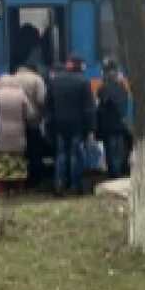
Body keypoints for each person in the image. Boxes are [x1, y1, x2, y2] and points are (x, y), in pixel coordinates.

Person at [45, 54, 96, 196]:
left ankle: (59, 183)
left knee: (61, 153)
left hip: (59, 124)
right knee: (75, 153)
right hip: (77, 125)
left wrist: (49, 124)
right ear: (78, 65)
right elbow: (89, 109)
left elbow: (48, 105)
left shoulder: (55, 81)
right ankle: (75, 185)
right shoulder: (83, 82)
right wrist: (91, 128)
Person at [0, 71, 37, 197]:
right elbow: (30, 113)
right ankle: (19, 188)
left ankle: (0, 190)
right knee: (18, 162)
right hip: (18, 132)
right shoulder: (20, 94)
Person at [96, 57, 133, 180]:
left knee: (112, 152)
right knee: (120, 150)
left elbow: (101, 105)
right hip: (121, 124)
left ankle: (115, 174)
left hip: (109, 125)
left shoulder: (103, 88)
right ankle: (120, 172)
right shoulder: (122, 87)